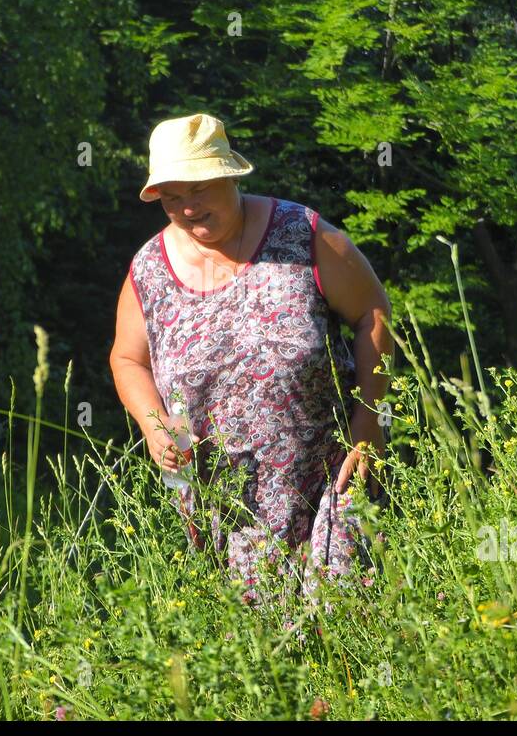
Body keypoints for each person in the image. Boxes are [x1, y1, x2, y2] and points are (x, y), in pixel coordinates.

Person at [109, 113, 393, 610]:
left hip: (332, 477)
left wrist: (368, 423)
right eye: (172, 197)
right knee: (259, 658)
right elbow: (127, 359)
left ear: (230, 176)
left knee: (345, 629)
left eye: (199, 188)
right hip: (228, 501)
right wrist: (156, 428)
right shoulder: (149, 269)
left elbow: (373, 313)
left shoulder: (302, 235)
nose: (188, 207)